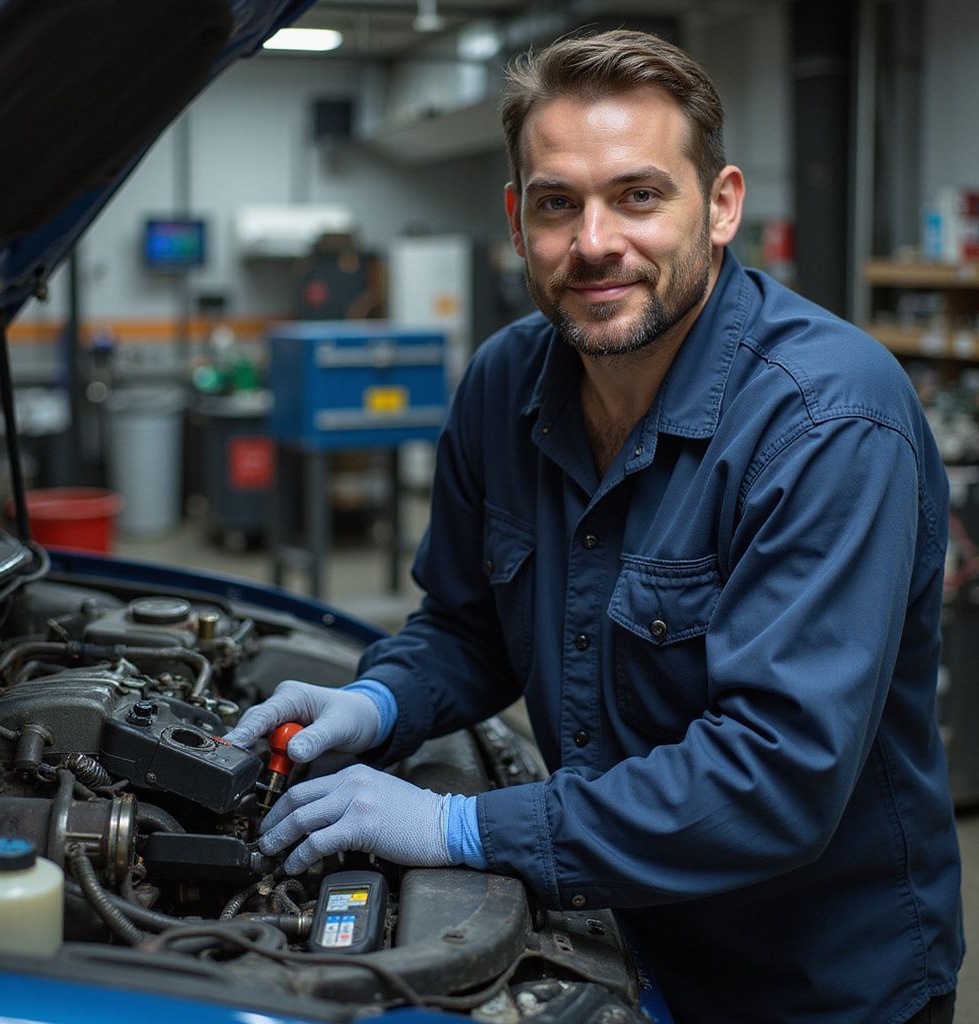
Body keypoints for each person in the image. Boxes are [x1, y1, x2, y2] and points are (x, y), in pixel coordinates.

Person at [225, 29, 963, 1024]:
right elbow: (467, 623)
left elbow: (774, 777)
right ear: (516, 219)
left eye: (639, 195)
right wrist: (380, 702)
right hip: (615, 943)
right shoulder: (503, 383)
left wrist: (460, 825)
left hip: (811, 985)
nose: (594, 240)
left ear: (722, 205)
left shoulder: (827, 421)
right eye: (557, 202)